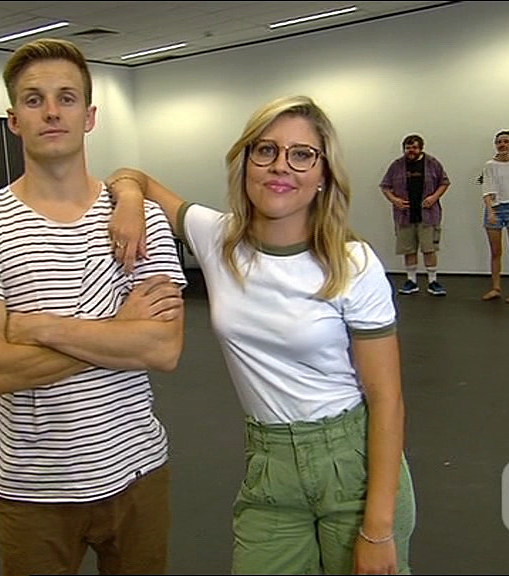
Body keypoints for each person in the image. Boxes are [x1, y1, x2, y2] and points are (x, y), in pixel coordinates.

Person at [106, 95, 416, 575]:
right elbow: (134, 176)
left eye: (302, 154)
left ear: (323, 174)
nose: (281, 166)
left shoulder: (352, 263)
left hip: (353, 465)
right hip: (269, 467)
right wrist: (129, 199)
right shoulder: (217, 237)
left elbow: (386, 398)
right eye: (266, 150)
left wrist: (378, 528)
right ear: (246, 162)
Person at [0, 38, 187, 576]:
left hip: (138, 473)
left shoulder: (140, 218)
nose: (51, 112)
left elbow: (163, 348)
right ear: (14, 120)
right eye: (34, 100)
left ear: (89, 116)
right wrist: (120, 329)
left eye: (67, 98)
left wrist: (38, 328)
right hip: (33, 490)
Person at [379, 134, 451, 296]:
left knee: (429, 249)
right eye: (408, 148)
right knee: (409, 249)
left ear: (421, 148)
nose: (411, 150)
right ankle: (411, 281)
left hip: (428, 215)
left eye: (414, 147)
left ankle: (432, 281)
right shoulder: (397, 165)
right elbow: (385, 186)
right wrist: (394, 200)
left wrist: (434, 197)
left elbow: (444, 182)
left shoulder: (432, 163)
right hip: (404, 215)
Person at [479, 130, 509, 303]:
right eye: (499, 142)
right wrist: (490, 211)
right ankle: (496, 288)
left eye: (506, 141)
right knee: (496, 251)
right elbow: (486, 189)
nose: (502, 145)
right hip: (495, 208)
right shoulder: (490, 165)